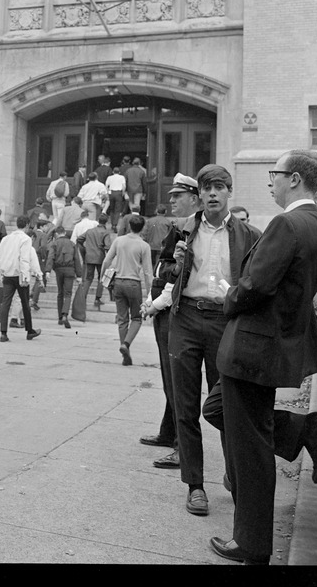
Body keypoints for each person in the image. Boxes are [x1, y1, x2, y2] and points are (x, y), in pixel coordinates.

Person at [202, 150, 317, 566]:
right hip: (271, 347)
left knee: (250, 448)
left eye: (274, 174)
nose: (270, 181)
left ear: (294, 179)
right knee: (220, 410)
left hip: (254, 348)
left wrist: (228, 297)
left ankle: (253, 544)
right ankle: (306, 431)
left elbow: (253, 286)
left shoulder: (287, 223)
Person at [166, 164, 261, 517]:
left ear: (228, 193)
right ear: (200, 194)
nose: (212, 193)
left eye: (219, 187)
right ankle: (194, 485)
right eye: (206, 187)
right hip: (187, 319)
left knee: (227, 406)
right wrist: (174, 266)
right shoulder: (182, 228)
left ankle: (234, 478)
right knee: (186, 406)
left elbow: (256, 281)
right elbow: (163, 273)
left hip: (225, 321)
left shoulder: (248, 234)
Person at [139, 174, 201, 470]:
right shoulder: (178, 227)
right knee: (168, 373)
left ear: (194, 198)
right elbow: (165, 266)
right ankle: (168, 432)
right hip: (165, 306)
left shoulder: (191, 228)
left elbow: (174, 275)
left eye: (178, 196)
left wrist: (154, 303)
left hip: (171, 308)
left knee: (175, 378)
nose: (172, 200)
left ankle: (180, 446)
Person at [101, 214, 153, 365]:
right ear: (142, 228)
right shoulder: (144, 245)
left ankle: (125, 351)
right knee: (136, 318)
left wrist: (103, 277)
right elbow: (148, 272)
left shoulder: (119, 241)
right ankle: (127, 344)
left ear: (129, 226)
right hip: (133, 283)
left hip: (118, 282)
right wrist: (150, 292)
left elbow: (106, 260)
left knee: (122, 318)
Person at [0, 215, 42, 342]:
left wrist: (2, 270)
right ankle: (29, 330)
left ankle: (3, 332)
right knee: (25, 303)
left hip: (7, 274)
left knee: (6, 303)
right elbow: (24, 258)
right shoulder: (25, 239)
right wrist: (26, 276)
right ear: (27, 225)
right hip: (20, 274)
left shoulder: (6, 239)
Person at [71, 214, 110, 320]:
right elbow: (107, 245)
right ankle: (97, 298)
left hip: (89, 256)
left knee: (88, 278)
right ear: (106, 222)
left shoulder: (90, 231)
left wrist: (84, 250)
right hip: (100, 257)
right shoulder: (105, 232)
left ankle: (83, 297)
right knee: (101, 278)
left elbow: (79, 239)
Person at [46, 225, 82, 329]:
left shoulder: (54, 243)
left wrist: (48, 271)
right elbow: (77, 260)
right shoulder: (72, 244)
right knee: (68, 293)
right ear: (65, 233)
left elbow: (51, 257)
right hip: (70, 270)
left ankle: (59, 317)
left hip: (59, 270)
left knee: (60, 293)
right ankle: (65, 315)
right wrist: (79, 275)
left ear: (56, 234)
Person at [141, 203, 174, 268]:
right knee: (159, 264)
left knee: (151, 264)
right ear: (166, 212)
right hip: (162, 247)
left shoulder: (149, 221)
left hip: (151, 246)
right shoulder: (167, 222)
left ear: (156, 211)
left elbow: (144, 234)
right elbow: (171, 236)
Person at [105, 166, 128, 230]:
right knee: (117, 210)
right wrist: (123, 193)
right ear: (119, 172)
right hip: (118, 193)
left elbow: (106, 186)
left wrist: (107, 193)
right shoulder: (122, 177)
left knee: (112, 209)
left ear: (113, 172)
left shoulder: (109, 177)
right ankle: (115, 224)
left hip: (111, 193)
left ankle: (112, 223)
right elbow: (124, 186)